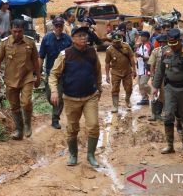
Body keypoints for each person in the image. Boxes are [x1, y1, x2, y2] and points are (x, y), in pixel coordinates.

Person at [49, 26, 102, 168]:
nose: (84, 38)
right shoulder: (65, 54)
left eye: (85, 35)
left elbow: (97, 71)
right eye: (80, 36)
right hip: (71, 98)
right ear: (73, 39)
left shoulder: (92, 52)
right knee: (72, 128)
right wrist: (54, 91)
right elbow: (54, 74)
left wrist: (99, 88)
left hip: (90, 96)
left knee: (94, 126)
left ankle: (91, 155)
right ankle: (73, 155)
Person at [152, 28, 183, 154]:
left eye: (175, 44)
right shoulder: (165, 51)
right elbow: (160, 71)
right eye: (170, 44)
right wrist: (155, 86)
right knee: (168, 115)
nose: (172, 47)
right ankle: (170, 145)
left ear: (180, 40)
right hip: (170, 88)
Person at [0, 19, 41, 140]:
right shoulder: (5, 43)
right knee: (14, 106)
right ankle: (19, 130)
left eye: (19, 31)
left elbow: (36, 60)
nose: (17, 34)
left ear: (23, 30)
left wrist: (38, 76)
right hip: (10, 78)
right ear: (11, 30)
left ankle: (27, 124)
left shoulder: (30, 42)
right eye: (14, 31)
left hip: (27, 77)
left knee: (26, 102)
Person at [39, 16, 72, 129]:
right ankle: (56, 109)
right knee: (50, 96)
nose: (58, 28)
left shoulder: (68, 39)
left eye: (60, 26)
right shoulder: (47, 39)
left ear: (63, 26)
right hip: (50, 72)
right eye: (57, 25)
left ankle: (55, 119)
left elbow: (72, 56)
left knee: (58, 96)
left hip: (63, 73)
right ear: (53, 26)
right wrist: (38, 72)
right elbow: (41, 56)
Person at [105, 33, 136, 112]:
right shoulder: (109, 49)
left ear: (121, 40)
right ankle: (115, 106)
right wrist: (107, 75)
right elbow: (107, 63)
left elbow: (132, 58)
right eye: (115, 42)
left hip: (127, 71)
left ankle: (127, 99)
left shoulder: (126, 46)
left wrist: (134, 70)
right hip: (116, 72)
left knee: (129, 88)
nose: (117, 44)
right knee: (115, 89)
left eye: (118, 42)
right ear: (112, 41)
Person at [148, 35, 167, 121]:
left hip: (165, 76)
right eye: (161, 42)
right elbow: (152, 64)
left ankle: (159, 113)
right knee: (154, 94)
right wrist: (152, 76)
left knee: (162, 95)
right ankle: (153, 114)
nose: (162, 44)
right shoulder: (156, 51)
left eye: (164, 42)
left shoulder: (169, 51)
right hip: (156, 75)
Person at [136, 31, 152, 105]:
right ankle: (144, 98)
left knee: (143, 83)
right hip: (140, 67)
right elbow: (137, 54)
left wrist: (141, 56)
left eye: (142, 37)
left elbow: (150, 57)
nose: (141, 38)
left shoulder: (150, 46)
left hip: (147, 68)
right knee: (140, 84)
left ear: (146, 37)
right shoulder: (140, 45)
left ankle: (155, 94)